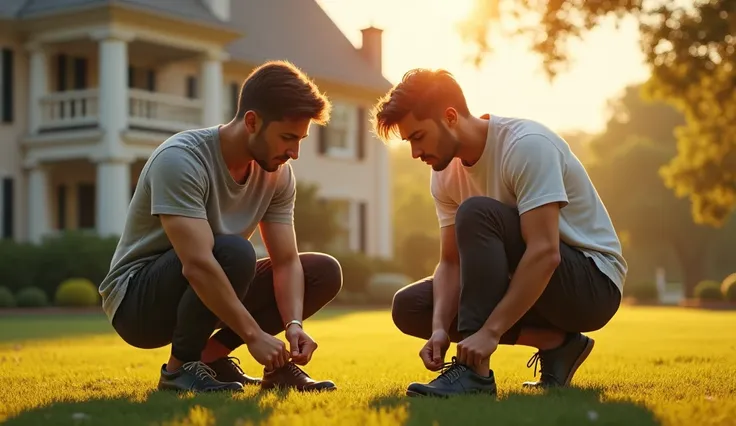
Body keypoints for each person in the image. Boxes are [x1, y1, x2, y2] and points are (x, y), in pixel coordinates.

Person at [370, 68, 627, 397]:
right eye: (409, 142)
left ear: (450, 117)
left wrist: (490, 331)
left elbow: (545, 251)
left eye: (418, 137)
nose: (415, 153)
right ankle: (559, 344)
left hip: (591, 284)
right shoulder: (444, 173)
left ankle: (475, 375)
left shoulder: (526, 146)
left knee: (477, 212)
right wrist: (439, 330)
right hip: (530, 280)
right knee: (412, 306)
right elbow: (451, 264)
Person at [99, 60, 342, 393]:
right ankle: (179, 369)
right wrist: (254, 336)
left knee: (323, 271)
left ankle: (216, 357)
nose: (294, 153)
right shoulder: (181, 159)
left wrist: (293, 325)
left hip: (209, 284)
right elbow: (197, 264)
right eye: (287, 137)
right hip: (137, 303)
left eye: (300, 139)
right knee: (233, 251)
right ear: (253, 122)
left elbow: (286, 261)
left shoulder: (278, 174)